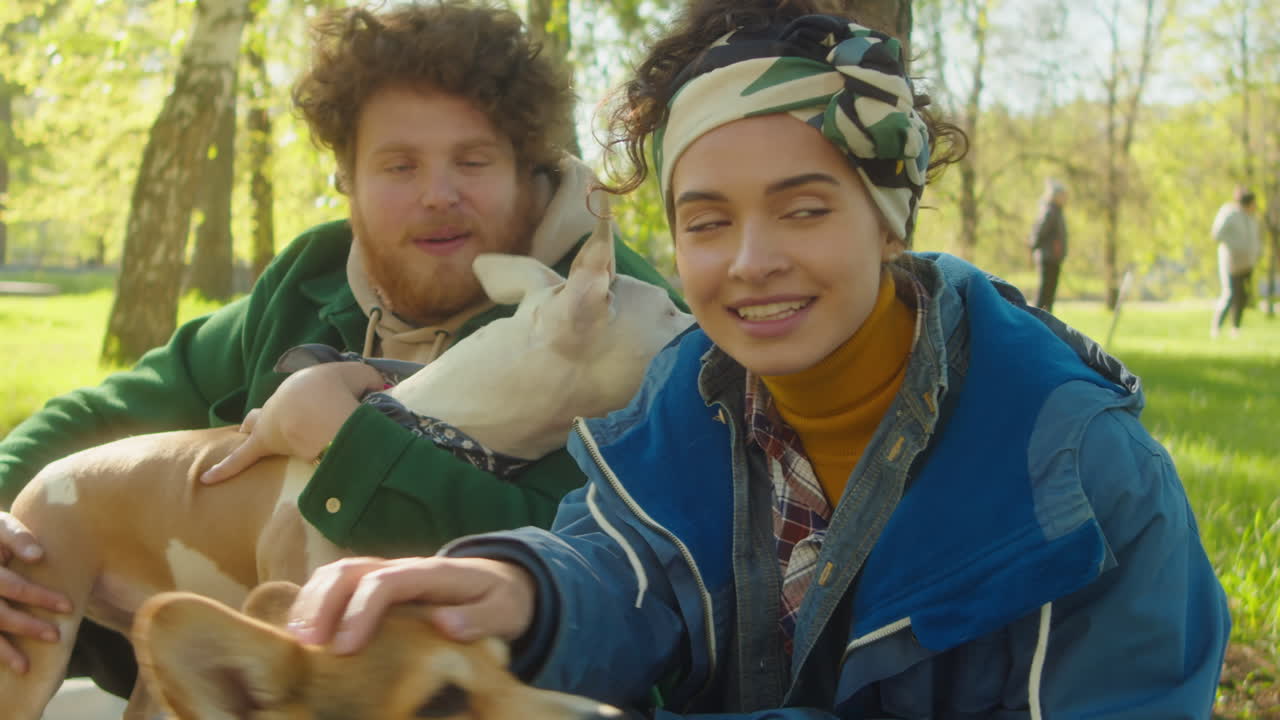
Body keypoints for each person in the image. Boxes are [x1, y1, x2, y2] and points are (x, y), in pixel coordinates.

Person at [294, 3, 1226, 718]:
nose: (750, 260)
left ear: (887, 220)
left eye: (804, 209)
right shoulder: (688, 397)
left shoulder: (1075, 471)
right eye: (707, 222)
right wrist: (517, 591)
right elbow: (631, 571)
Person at [0, 0, 682, 697]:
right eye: (398, 166)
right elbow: (106, 416)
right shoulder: (313, 277)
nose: (438, 195)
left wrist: (347, 443)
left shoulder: (626, 330)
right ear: (345, 180)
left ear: (529, 169)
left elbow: (592, 561)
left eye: (472, 160)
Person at [1211, 186, 1262, 338]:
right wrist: (1233, 247)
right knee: (1230, 294)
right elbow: (1217, 234)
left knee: (1242, 296)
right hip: (1231, 260)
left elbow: (1255, 239)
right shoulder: (1229, 213)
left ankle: (1235, 327)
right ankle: (1216, 327)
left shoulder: (1251, 218)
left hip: (1247, 262)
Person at [1027, 179, 1068, 313]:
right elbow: (1039, 232)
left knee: (1050, 290)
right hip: (1047, 257)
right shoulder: (1049, 211)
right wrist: (1035, 247)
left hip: (1054, 258)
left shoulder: (1057, 211)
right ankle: (1038, 316)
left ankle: (1046, 316)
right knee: (1045, 289)